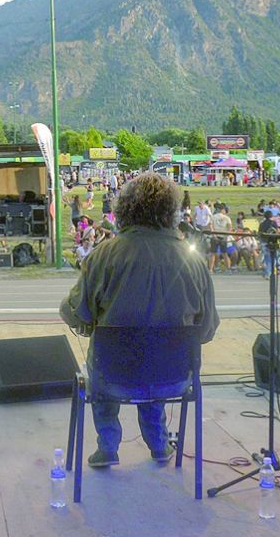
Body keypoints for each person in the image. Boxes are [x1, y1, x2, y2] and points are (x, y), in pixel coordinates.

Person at [59, 172, 218, 469]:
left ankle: (107, 444)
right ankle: (159, 444)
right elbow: (207, 330)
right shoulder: (193, 260)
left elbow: (74, 312)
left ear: (124, 210)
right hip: (175, 380)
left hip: (113, 379)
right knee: (157, 355)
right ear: (171, 212)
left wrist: (86, 320)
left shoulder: (104, 255)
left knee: (106, 361)